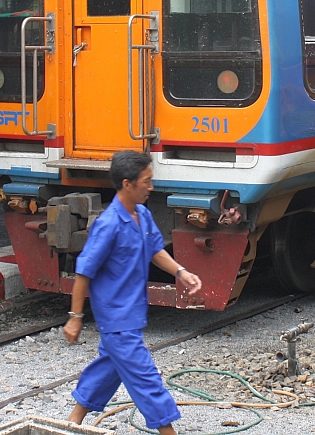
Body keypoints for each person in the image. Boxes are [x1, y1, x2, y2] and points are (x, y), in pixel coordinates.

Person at [64, 151, 202, 434]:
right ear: (127, 184)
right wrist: (75, 317)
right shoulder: (109, 224)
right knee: (146, 380)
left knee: (109, 367)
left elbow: (155, 250)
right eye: (146, 181)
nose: (151, 187)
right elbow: (83, 273)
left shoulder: (142, 214)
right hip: (116, 320)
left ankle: (70, 423)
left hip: (131, 313)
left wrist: (181, 272)